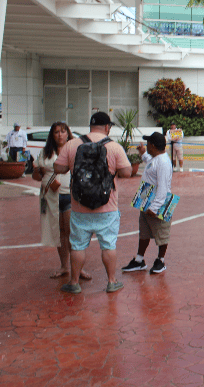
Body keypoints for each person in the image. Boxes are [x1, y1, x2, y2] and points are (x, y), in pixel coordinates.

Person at [54, 112, 132, 294]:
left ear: (90, 126)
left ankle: (74, 282)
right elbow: (127, 172)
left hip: (79, 206)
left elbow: (58, 168)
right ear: (107, 127)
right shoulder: (114, 146)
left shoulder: (72, 144)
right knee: (108, 245)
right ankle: (112, 282)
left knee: (78, 245)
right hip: (108, 206)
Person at [32, 122, 91, 281]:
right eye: (56, 132)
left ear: (68, 133)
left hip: (71, 196)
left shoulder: (75, 149)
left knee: (73, 233)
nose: (60, 135)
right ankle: (64, 266)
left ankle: (79, 268)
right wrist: (38, 171)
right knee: (60, 234)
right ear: (52, 135)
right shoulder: (46, 152)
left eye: (63, 131)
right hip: (52, 198)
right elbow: (35, 176)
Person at [122, 132, 173, 275]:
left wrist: (155, 207)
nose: (147, 145)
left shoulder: (163, 162)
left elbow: (163, 187)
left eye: (148, 143)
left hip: (158, 202)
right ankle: (139, 260)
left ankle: (160, 260)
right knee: (144, 231)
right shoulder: (156, 158)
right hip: (146, 198)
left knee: (162, 233)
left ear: (153, 146)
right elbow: (150, 163)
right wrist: (143, 153)